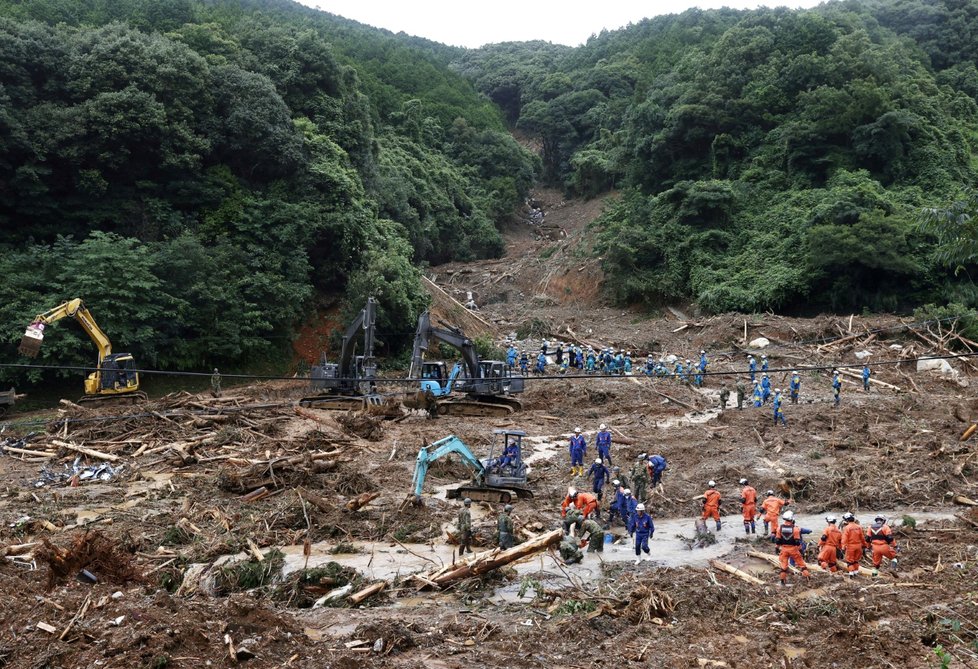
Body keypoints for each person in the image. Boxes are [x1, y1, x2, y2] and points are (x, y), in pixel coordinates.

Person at [772, 510, 811, 585]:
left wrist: (776, 548)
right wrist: (801, 551)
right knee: (802, 565)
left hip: (784, 549)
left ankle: (782, 583)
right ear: (792, 519)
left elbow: (777, 540)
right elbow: (797, 542)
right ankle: (808, 580)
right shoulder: (795, 529)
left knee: (783, 567)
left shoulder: (779, 528)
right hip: (793, 549)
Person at [840, 512, 868, 578]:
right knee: (856, 561)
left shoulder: (847, 528)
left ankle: (851, 575)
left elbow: (844, 539)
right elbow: (862, 538)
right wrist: (864, 545)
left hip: (850, 547)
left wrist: (843, 547)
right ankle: (856, 573)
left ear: (847, 520)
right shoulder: (859, 527)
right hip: (859, 546)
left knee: (850, 562)